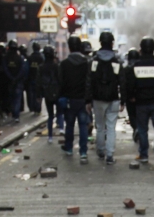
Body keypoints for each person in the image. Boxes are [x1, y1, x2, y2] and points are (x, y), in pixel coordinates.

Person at [125, 36, 154, 167]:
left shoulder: (136, 66)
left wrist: (131, 97)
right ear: (153, 49)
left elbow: (130, 84)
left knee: (142, 129)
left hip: (141, 103)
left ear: (141, 50)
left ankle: (144, 155)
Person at [58, 36, 91, 162]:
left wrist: (62, 97)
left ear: (70, 47)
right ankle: (83, 152)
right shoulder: (86, 63)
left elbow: (61, 82)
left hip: (69, 100)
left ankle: (69, 148)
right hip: (82, 99)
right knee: (83, 126)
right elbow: (89, 82)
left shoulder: (64, 64)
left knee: (70, 125)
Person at [90, 31, 122, 164]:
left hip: (97, 98)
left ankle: (101, 150)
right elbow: (122, 81)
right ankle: (110, 156)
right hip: (113, 98)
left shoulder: (94, 61)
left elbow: (89, 80)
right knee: (110, 127)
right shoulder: (116, 61)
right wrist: (124, 100)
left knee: (99, 126)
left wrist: (88, 100)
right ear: (112, 43)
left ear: (100, 42)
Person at [36, 45, 62, 143]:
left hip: (47, 93)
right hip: (57, 92)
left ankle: (50, 136)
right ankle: (61, 129)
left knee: (50, 115)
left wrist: (38, 95)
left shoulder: (41, 67)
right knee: (59, 112)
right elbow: (61, 80)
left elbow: (38, 82)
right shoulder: (57, 66)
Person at [3, 40, 27, 122]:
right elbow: (22, 70)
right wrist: (16, 78)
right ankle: (16, 115)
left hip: (9, 81)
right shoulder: (20, 57)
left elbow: (5, 69)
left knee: (11, 98)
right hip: (18, 81)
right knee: (17, 99)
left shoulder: (5, 58)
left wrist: (11, 77)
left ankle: (13, 114)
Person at [123, 48, 141, 142]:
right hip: (141, 96)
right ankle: (139, 130)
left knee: (132, 115)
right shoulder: (141, 68)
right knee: (140, 115)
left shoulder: (126, 69)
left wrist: (128, 97)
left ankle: (136, 128)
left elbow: (125, 84)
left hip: (130, 98)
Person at [26, 42, 43, 115]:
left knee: (32, 94)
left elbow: (27, 69)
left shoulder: (30, 58)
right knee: (38, 95)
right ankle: (38, 109)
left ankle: (33, 108)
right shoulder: (42, 57)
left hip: (31, 78)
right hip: (39, 79)